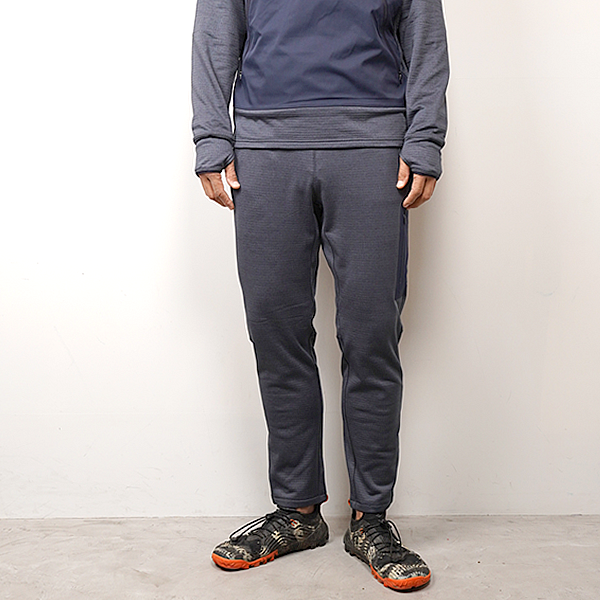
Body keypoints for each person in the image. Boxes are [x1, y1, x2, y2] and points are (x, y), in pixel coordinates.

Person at [191, 0, 449, 592]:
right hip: (263, 150)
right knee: (276, 333)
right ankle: (297, 512)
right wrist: (211, 136)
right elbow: (215, 33)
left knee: (371, 336)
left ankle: (371, 520)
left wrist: (425, 137)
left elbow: (425, 35)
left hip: (374, 147)